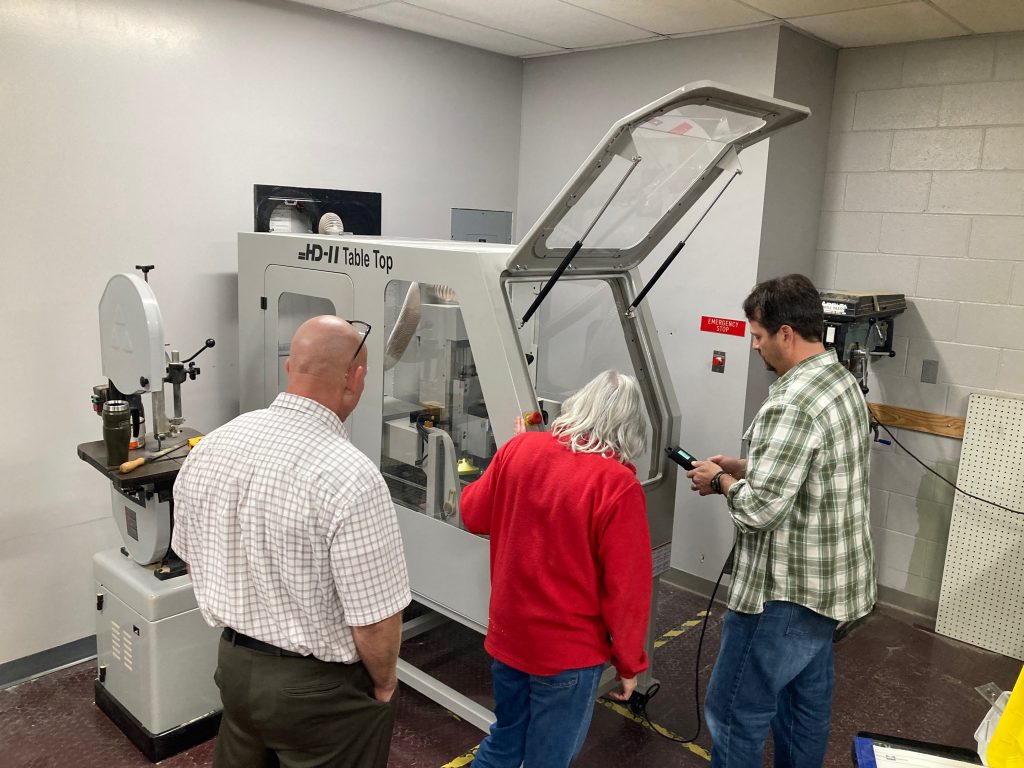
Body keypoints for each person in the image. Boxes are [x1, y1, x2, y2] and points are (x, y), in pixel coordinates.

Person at [172, 315, 411, 768]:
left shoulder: (213, 445)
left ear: (290, 368)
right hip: (320, 692)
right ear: (355, 379)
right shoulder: (351, 476)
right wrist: (384, 684)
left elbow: (193, 559)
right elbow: (375, 621)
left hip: (235, 669)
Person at [687, 274, 875, 768]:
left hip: (781, 597)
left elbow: (758, 510)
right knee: (801, 711)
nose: (755, 346)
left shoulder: (791, 402)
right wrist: (744, 468)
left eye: (758, 336)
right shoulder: (840, 383)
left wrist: (720, 482)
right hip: (828, 591)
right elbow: (811, 471)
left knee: (734, 714)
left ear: (786, 333)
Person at [461, 370, 653, 768]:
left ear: (577, 406)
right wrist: (630, 665)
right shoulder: (617, 486)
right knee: (548, 759)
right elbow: (627, 591)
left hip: (509, 638)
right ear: (632, 429)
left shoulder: (520, 450)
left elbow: (473, 514)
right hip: (568, 653)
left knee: (504, 739)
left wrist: (509, 456)